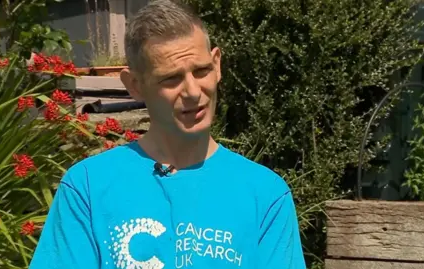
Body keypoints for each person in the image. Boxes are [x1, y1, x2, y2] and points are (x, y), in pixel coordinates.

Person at [28, 0, 306, 268]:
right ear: (135, 85)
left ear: (217, 64)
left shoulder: (264, 195)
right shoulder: (88, 188)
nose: (193, 92)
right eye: (171, 78)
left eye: (201, 71)